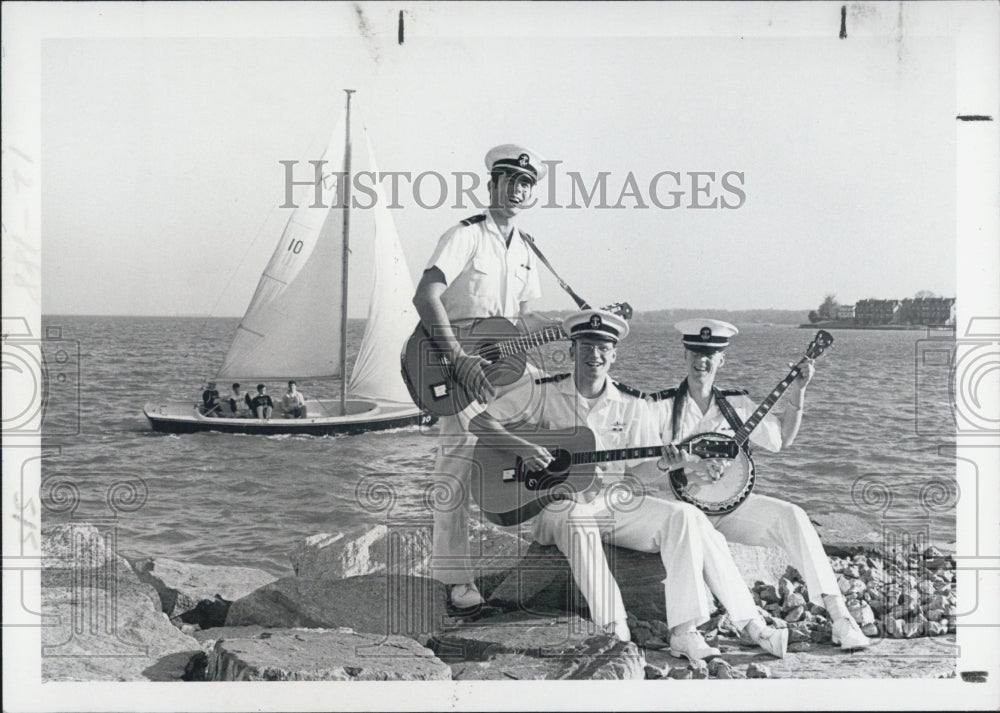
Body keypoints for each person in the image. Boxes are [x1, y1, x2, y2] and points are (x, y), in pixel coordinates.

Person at [468, 310, 788, 660]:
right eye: (587, 346)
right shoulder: (542, 392)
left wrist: (669, 462)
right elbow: (481, 423)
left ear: (615, 354)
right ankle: (615, 629)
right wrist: (526, 449)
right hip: (555, 505)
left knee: (684, 516)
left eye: (604, 347)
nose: (595, 355)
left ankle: (688, 630)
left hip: (614, 502)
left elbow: (642, 473)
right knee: (577, 518)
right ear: (572, 351)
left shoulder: (631, 404)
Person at [649, 318, 870, 650]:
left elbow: (781, 439)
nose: (701, 361)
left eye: (711, 354)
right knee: (704, 534)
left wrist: (799, 391)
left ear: (722, 359)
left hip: (731, 508)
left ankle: (840, 617)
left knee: (792, 515)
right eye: (695, 351)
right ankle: (750, 627)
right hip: (687, 513)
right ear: (684, 354)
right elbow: (641, 467)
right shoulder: (662, 408)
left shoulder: (737, 405)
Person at [412, 144, 558, 610]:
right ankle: (456, 579)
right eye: (509, 180)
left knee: (559, 410)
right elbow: (425, 296)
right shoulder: (465, 235)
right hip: (452, 363)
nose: (516, 189)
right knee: (456, 463)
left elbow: (523, 321)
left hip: (503, 362)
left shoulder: (527, 249)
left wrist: (575, 323)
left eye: (525, 183)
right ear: (491, 184)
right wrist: (458, 359)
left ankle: (552, 535)